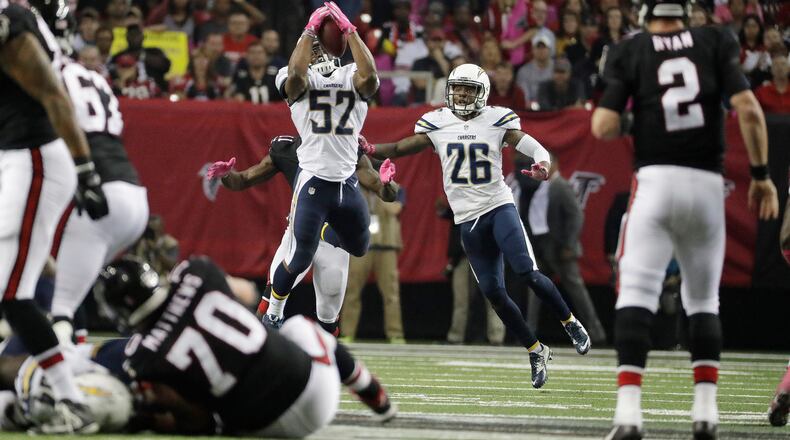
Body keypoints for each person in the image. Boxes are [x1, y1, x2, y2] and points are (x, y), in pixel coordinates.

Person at [591, 1, 780, 438]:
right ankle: (706, 414)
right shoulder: (715, 40)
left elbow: (602, 125)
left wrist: (640, 120)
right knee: (703, 301)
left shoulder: (632, 49)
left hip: (655, 182)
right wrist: (761, 177)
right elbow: (750, 111)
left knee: (636, 294)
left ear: (645, 14)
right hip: (707, 186)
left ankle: (628, 415)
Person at [363, 63, 592, 389]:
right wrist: (370, 148)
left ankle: (570, 322)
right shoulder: (438, 121)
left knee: (527, 272)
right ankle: (536, 350)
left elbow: (528, 143)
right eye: (457, 88)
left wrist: (542, 162)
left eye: (468, 89)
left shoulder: (496, 119)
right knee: (494, 293)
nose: (461, 94)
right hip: (467, 219)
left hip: (498, 207)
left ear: (481, 93)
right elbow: (400, 148)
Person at [94, 255, 397, 436]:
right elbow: (248, 292)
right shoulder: (196, 273)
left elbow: (195, 419)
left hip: (257, 425)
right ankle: (373, 393)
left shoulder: (142, 356)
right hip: (315, 393)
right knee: (298, 326)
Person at [0, 0, 111, 432]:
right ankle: (65, 393)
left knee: (13, 295)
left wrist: (86, 169)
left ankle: (72, 401)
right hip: (15, 159)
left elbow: (52, 95)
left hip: (34, 159)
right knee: (13, 293)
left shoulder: (10, 22)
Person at [206, 134, 398, 335]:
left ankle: (326, 351)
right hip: (300, 231)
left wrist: (387, 185)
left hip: (333, 241)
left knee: (328, 315)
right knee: (272, 296)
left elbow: (383, 190)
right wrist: (226, 176)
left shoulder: (346, 148)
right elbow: (243, 179)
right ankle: (260, 340)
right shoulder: (288, 150)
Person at [263, 2, 379, 327]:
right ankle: (273, 313)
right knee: (300, 255)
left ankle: (325, 229)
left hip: (346, 182)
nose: (315, 52)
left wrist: (350, 31)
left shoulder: (351, 74)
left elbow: (371, 77)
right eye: (310, 47)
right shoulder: (294, 75)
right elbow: (295, 78)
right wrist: (309, 30)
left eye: (319, 46)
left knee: (360, 246)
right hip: (314, 180)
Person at [48, 31, 149, 345]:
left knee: (59, 307)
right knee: (72, 293)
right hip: (133, 193)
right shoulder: (93, 78)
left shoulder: (48, 74)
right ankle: (78, 351)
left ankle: (60, 370)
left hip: (101, 197)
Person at [525, 154, 606, 344]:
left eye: (544, 165)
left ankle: (597, 333)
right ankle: (529, 332)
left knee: (577, 291)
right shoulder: (543, 186)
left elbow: (576, 216)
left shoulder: (561, 186)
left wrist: (569, 244)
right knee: (536, 290)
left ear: (554, 165)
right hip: (545, 248)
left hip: (561, 249)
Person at [341, 185, 406, 343]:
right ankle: (347, 332)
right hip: (360, 246)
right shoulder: (354, 188)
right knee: (352, 290)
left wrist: (380, 190)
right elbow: (349, 211)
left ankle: (395, 333)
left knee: (391, 293)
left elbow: (395, 209)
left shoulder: (395, 188)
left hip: (387, 245)